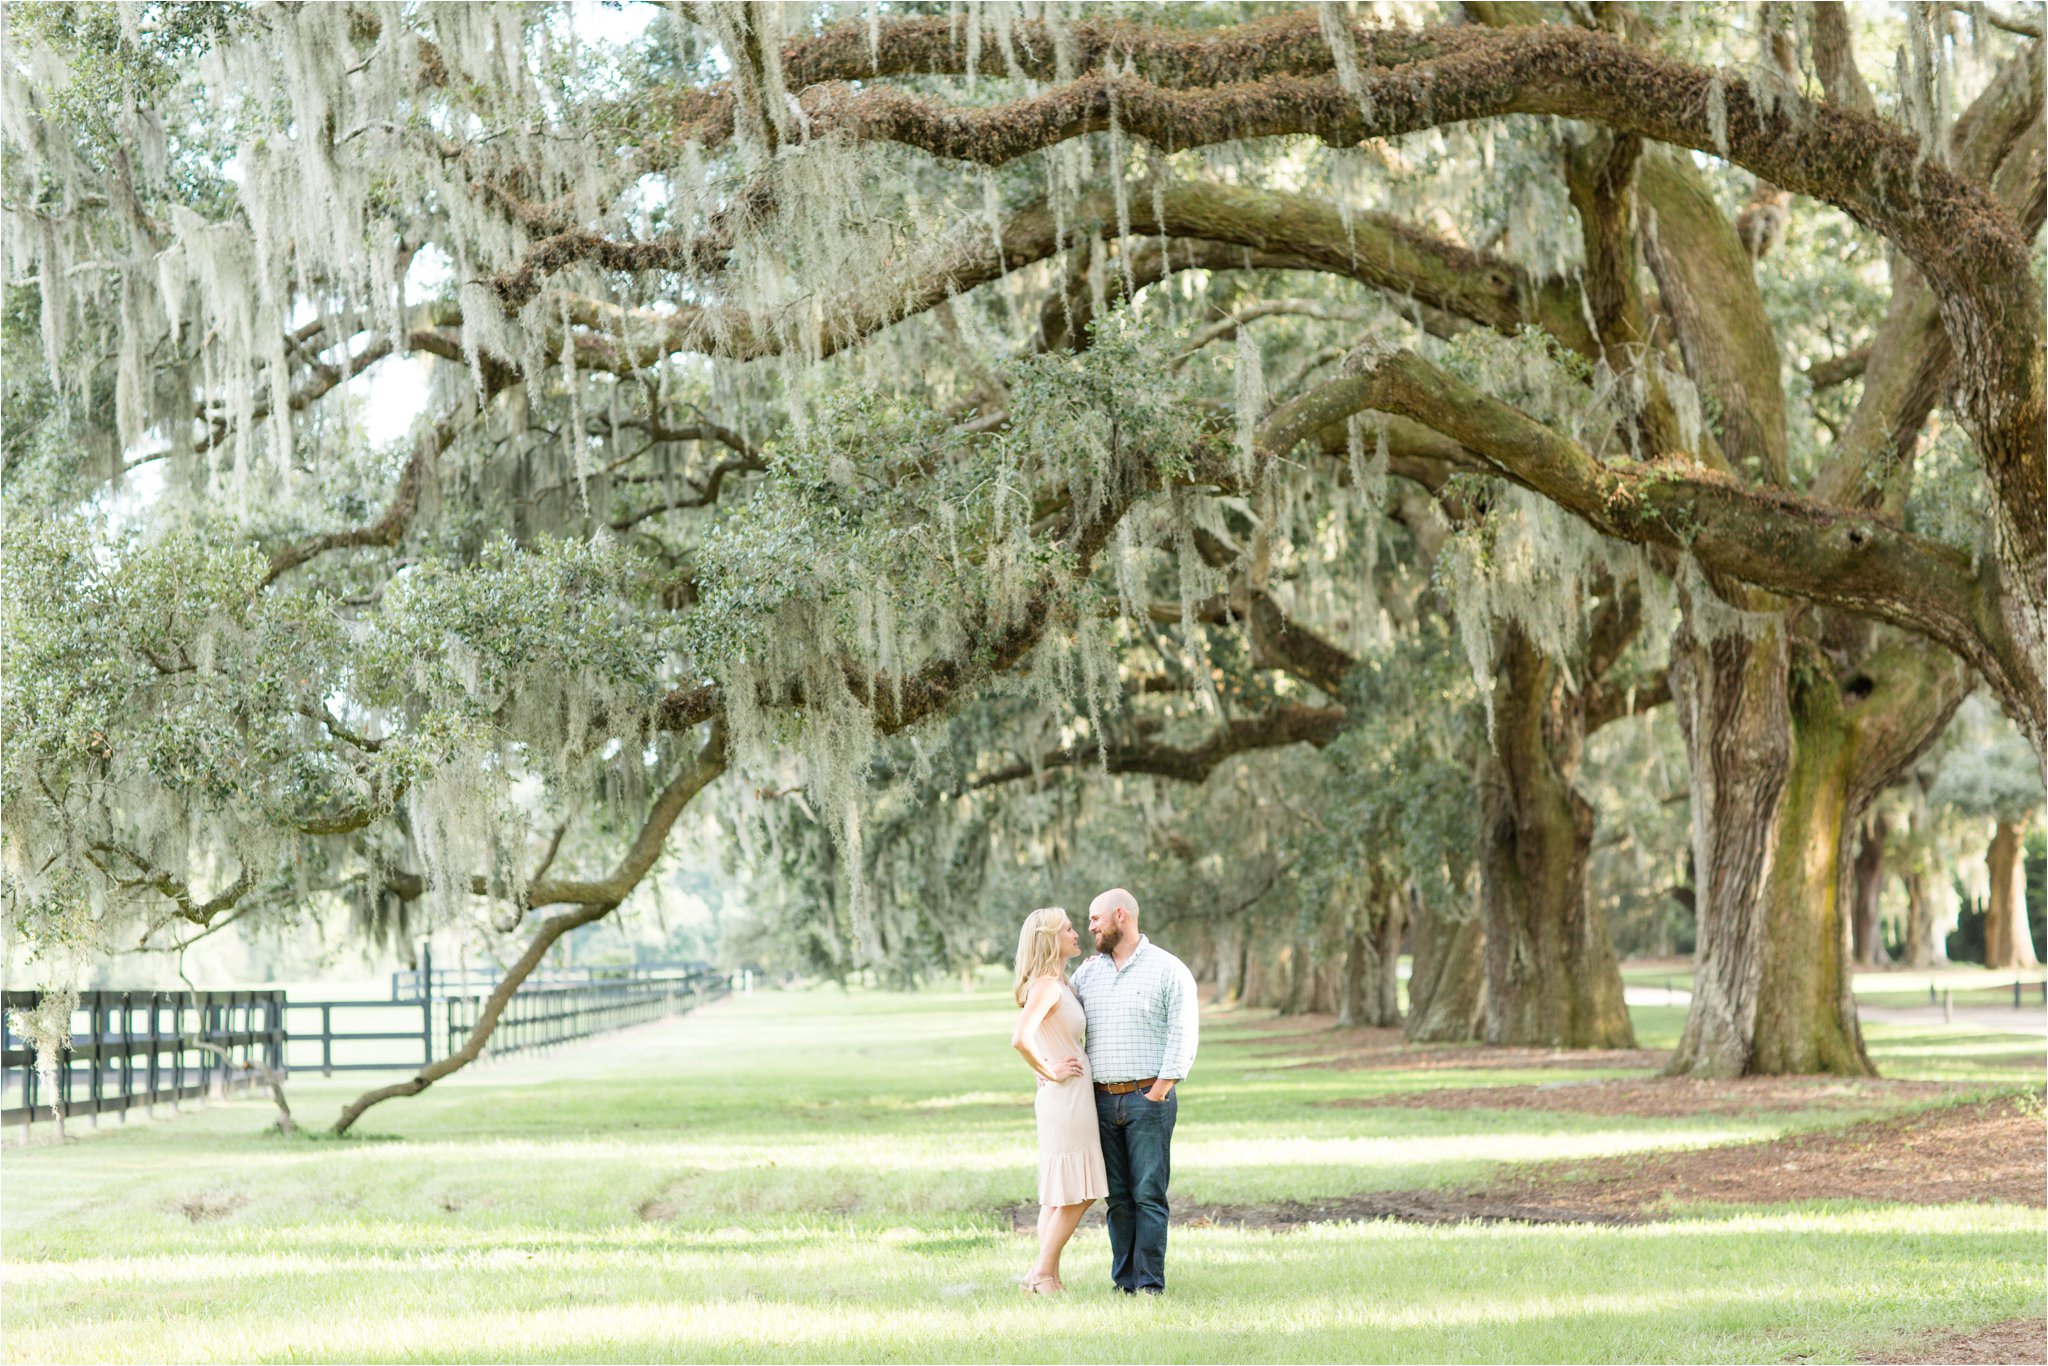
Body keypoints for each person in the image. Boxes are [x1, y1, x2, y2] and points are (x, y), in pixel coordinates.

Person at [1070, 887, 1199, 1296]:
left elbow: (1183, 1033)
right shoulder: (1087, 973)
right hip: (1101, 1100)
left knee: (1148, 1194)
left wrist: (1160, 1090)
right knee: (1118, 1198)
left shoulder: (1168, 969)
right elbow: (1056, 1013)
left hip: (1148, 1099)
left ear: (1120, 916)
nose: (1089, 926)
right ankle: (1123, 1282)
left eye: (1095, 919)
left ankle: (1149, 1285)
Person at [1010, 905, 1108, 1296]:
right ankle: (1041, 1273)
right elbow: (1021, 1037)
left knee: (1059, 1194)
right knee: (1081, 1190)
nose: (1075, 933)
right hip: (1065, 1097)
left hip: (1068, 1096)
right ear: (1051, 939)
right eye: (1068, 929)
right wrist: (1050, 1069)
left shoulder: (1059, 983)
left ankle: (1045, 1277)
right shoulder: (1047, 986)